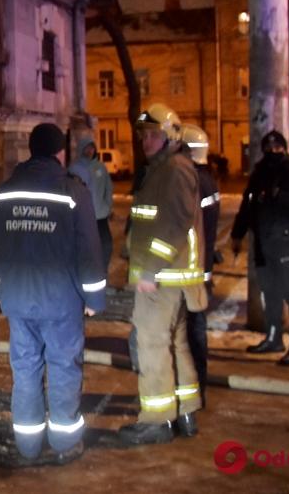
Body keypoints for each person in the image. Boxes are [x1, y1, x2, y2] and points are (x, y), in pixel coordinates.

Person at [0, 123, 107, 465]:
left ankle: (27, 445)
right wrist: (94, 299)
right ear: (60, 152)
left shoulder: (5, 191)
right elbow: (88, 248)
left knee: (24, 368)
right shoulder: (73, 191)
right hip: (61, 300)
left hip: (18, 298)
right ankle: (64, 442)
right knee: (63, 366)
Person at [119, 103, 205, 447]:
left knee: (152, 345)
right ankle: (185, 412)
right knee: (176, 345)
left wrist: (150, 269)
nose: (146, 141)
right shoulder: (165, 168)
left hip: (161, 279)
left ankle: (156, 420)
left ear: (170, 135)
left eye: (153, 135)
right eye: (142, 136)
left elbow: (173, 223)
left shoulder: (173, 169)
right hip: (170, 279)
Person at [231, 131, 289, 366]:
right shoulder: (259, 173)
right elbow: (247, 203)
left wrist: (282, 196)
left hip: (288, 242)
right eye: (269, 148)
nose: (273, 151)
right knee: (270, 293)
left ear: (285, 148)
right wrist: (237, 233)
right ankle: (273, 337)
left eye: (277, 147)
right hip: (263, 242)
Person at [181, 123, 220, 400]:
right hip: (202, 264)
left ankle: (195, 389)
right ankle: (198, 388)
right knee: (195, 327)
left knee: (191, 330)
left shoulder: (193, 182)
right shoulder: (207, 179)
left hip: (192, 267)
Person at [68, 135, 114, 285]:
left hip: (100, 216)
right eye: (87, 147)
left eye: (92, 147)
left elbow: (108, 188)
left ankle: (102, 272)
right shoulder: (74, 169)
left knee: (105, 245)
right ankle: (83, 276)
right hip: (82, 218)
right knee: (85, 248)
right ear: (81, 149)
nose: (90, 151)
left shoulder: (101, 167)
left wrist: (107, 206)